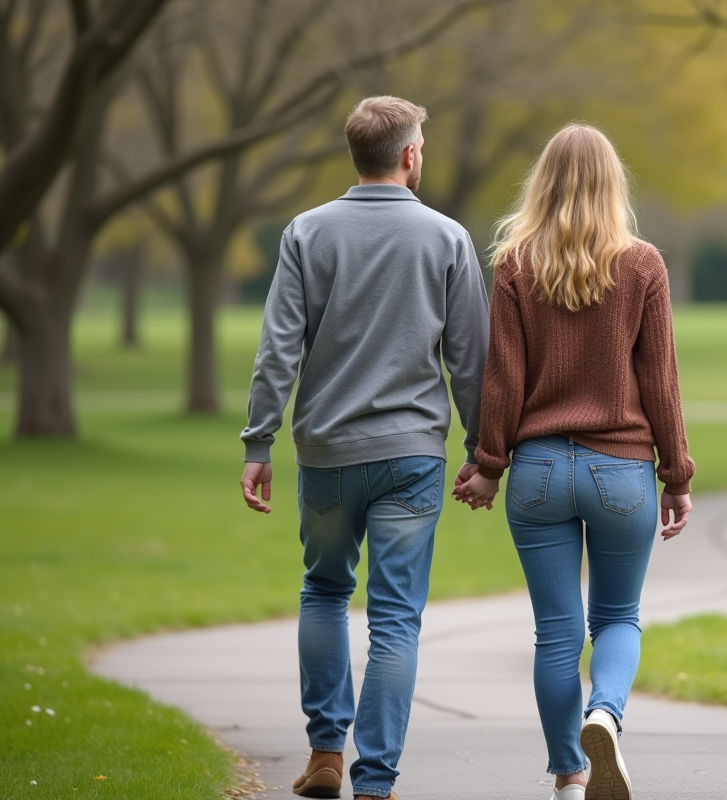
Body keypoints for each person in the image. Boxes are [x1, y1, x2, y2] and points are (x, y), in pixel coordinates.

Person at [239, 96, 490, 800]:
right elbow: (471, 359)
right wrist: (482, 450)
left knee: (323, 589)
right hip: (412, 455)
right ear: (410, 155)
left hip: (326, 452)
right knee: (395, 617)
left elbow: (277, 348)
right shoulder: (446, 238)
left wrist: (259, 441)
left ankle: (325, 754)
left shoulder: (306, 233)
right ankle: (375, 781)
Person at [455, 123, 695, 800]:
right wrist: (676, 475)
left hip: (536, 474)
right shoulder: (643, 264)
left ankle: (568, 771)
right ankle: (604, 714)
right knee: (616, 617)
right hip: (620, 473)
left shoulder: (514, 266)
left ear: (544, 183)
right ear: (612, 185)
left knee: (555, 632)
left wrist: (488, 464)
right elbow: (661, 383)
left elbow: (501, 379)